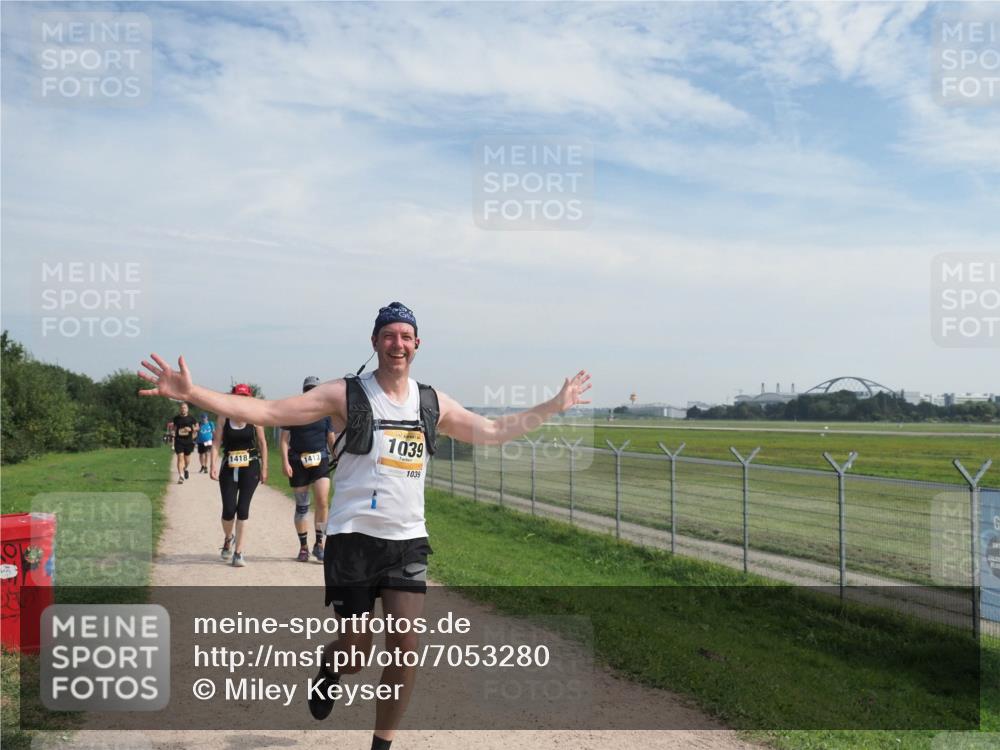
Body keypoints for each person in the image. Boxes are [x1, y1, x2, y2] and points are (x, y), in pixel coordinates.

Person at [138, 301, 590, 750]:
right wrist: (193, 395)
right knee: (355, 652)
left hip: (408, 541)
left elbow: (492, 431)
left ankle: (380, 745)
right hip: (353, 540)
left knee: (406, 647)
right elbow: (272, 412)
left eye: (406, 337)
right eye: (389, 335)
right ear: (375, 342)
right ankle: (331, 666)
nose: (398, 344)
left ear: (417, 345)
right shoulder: (346, 394)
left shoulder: (432, 402)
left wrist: (554, 404)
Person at [210, 384, 269, 568]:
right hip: (229, 465)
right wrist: (212, 463)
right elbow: (217, 441)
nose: (242, 399)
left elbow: (262, 442)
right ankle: (229, 538)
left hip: (250, 466)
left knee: (243, 509)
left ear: (249, 398)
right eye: (238, 396)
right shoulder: (224, 416)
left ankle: (239, 552)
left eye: (245, 396)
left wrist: (265, 467)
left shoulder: (255, 417)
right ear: (233, 397)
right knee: (228, 510)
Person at [280, 376, 336, 563]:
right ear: (304, 391)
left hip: (320, 460)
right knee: (302, 506)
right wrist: (285, 462)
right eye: (308, 389)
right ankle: (303, 547)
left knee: (322, 502)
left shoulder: (325, 413)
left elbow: (330, 437)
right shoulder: (293, 411)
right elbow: (284, 440)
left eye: (314, 389)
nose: (311, 392)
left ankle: (320, 543)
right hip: (298, 462)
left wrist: (337, 455)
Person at [171, 403, 198, 483]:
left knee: (187, 460)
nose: (183, 409)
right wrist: (173, 432)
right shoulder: (176, 418)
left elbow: (197, 427)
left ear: (187, 409)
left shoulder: (191, 418)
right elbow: (174, 428)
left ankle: (185, 469)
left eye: (185, 408)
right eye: (182, 408)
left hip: (188, 441)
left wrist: (191, 429)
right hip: (179, 441)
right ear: (180, 409)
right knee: (180, 457)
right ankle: (181, 476)